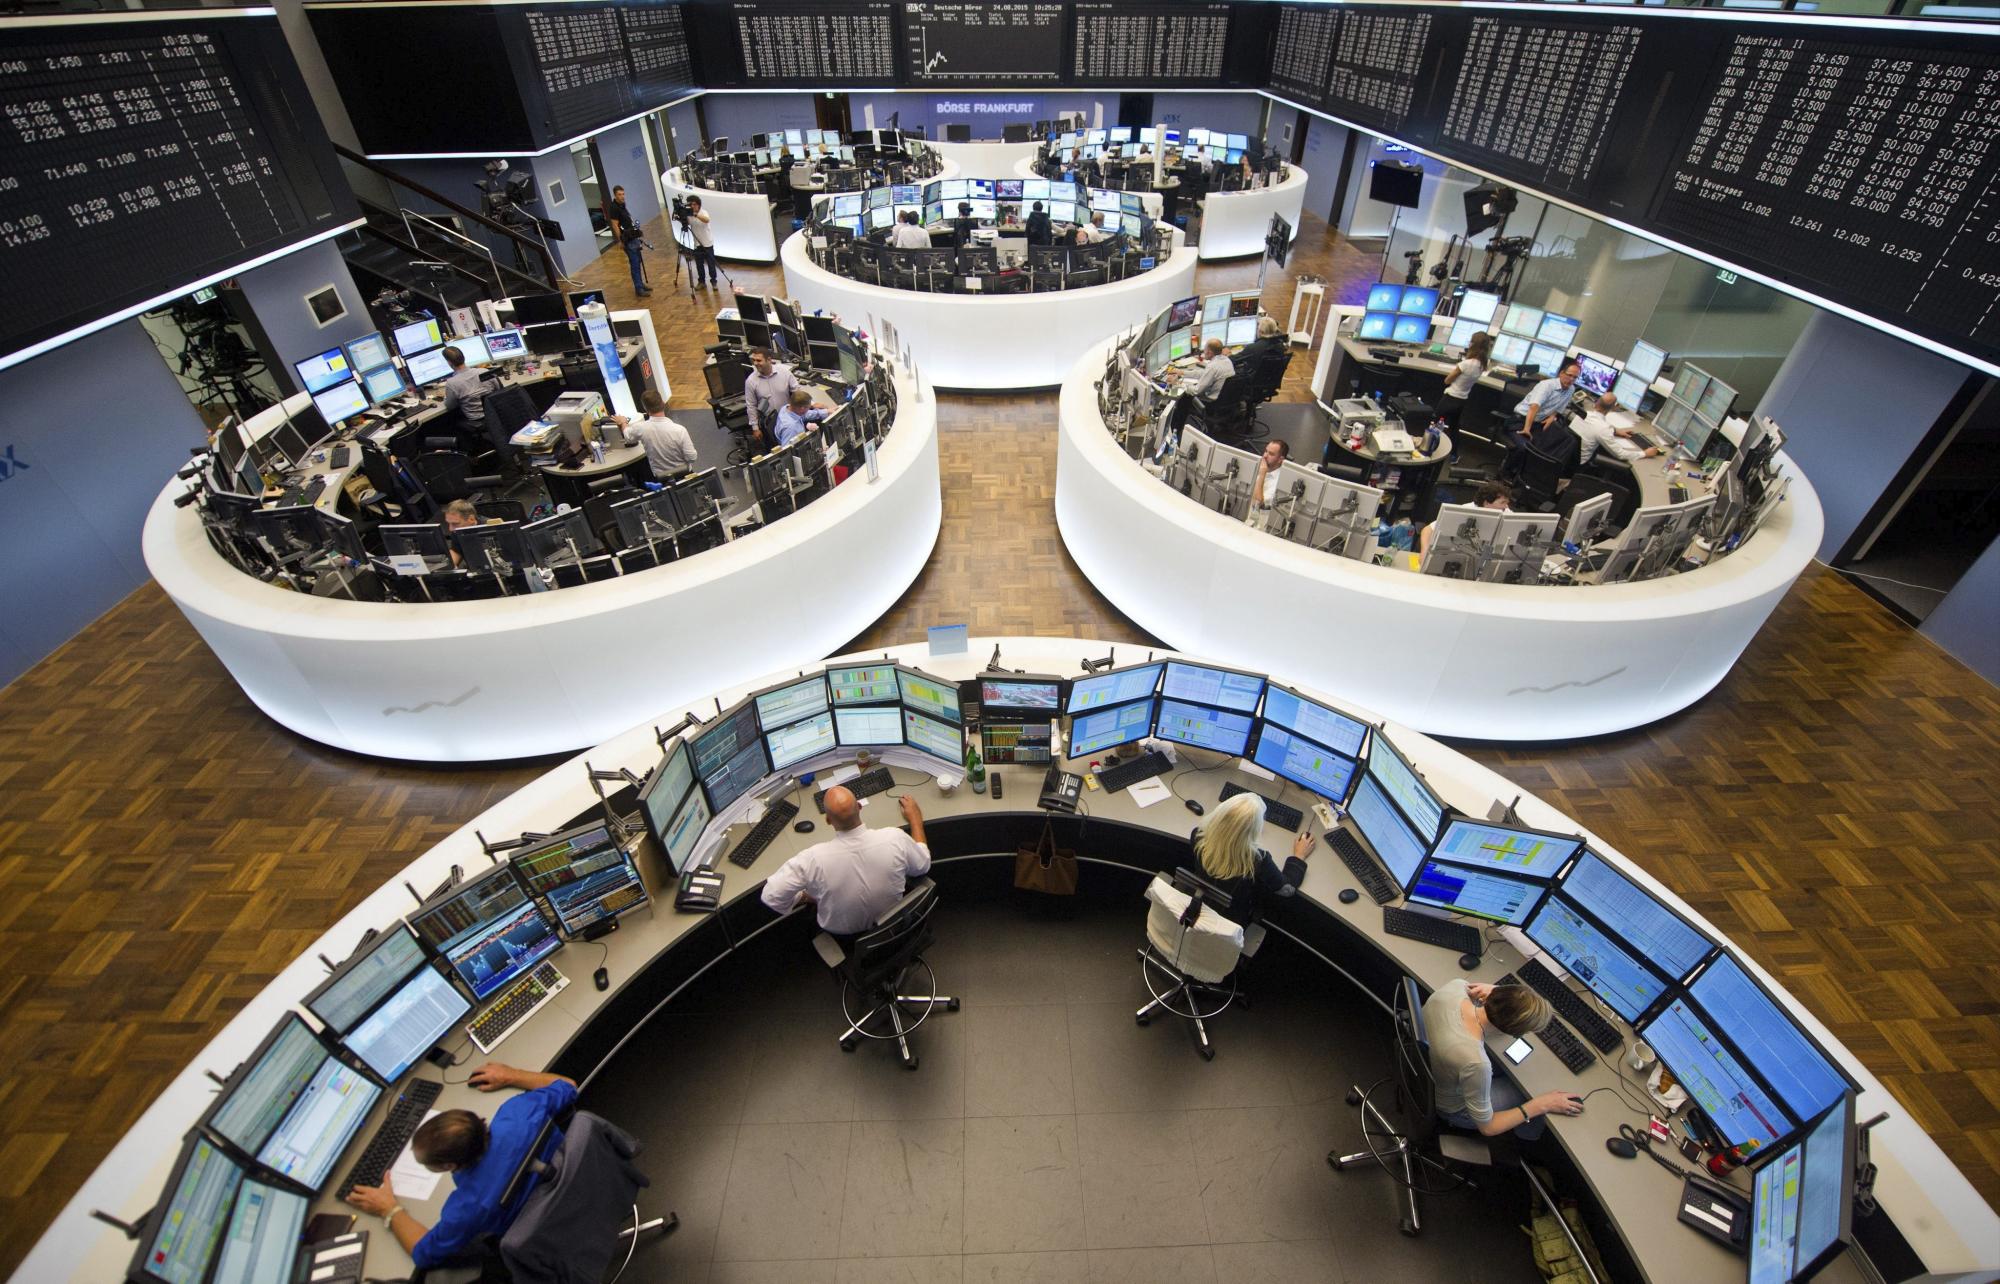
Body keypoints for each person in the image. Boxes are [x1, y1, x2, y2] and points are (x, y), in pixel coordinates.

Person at [343, 1062, 578, 1269]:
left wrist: (389, 1209)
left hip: (548, 1230)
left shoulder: (467, 1207)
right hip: (582, 1181)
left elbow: (424, 1253)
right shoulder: (517, 1113)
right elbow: (568, 1084)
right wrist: (511, 1075)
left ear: (448, 1165)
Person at [760, 787, 931, 942]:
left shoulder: (812, 860)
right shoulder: (894, 838)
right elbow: (922, 866)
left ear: (827, 820)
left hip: (844, 938)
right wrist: (915, 819)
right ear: (860, 806)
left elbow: (771, 897)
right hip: (893, 924)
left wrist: (805, 897)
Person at [1424, 979, 1580, 1141]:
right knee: (1532, 1092)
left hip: (1434, 1069)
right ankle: (1528, 1142)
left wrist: (1500, 994)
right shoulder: (1477, 1062)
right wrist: (1542, 1104)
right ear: (1513, 1033)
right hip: (1453, 1109)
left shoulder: (1455, 987)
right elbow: (1488, 1127)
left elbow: (1484, 995)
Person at [1191, 791, 1313, 927]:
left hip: (1198, 903)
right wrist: (1299, 856)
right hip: (1231, 919)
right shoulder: (1256, 859)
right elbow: (1287, 890)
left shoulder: (1199, 835)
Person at [1419, 479, 1511, 560]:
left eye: (1507, 503)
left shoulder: (1505, 511)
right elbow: (1427, 530)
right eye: (1502, 503)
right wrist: (1424, 552)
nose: (1506, 506)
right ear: (1487, 503)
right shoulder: (1465, 511)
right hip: (1457, 558)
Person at [619, 389, 699, 478]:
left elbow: (628, 436)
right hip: (685, 475)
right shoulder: (680, 430)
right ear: (663, 403)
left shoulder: (641, 428)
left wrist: (623, 422)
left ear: (645, 408)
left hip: (662, 478)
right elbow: (692, 457)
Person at [1574, 392, 1662, 467]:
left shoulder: (1585, 414)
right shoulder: (1603, 429)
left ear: (1596, 403)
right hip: (1579, 463)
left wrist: (1614, 431)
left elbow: (1596, 426)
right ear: (1613, 407)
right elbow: (1620, 454)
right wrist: (1644, 453)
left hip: (1567, 457)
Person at [742, 347, 800, 446]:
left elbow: (797, 392)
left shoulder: (784, 373)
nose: (755, 363)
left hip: (787, 419)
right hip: (768, 423)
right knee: (775, 450)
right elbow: (751, 405)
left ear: (769, 360)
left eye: (759, 360)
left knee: (792, 445)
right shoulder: (751, 381)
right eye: (754, 360)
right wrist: (755, 428)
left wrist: (810, 404)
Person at [1438, 331, 1492, 433]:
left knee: (1436, 423)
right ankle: (1452, 448)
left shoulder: (1465, 364)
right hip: (1461, 400)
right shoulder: (1482, 365)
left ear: (1473, 345)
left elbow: (1447, 380)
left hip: (1450, 398)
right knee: (1454, 428)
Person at [1515, 359, 1581, 441]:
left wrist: (1552, 417)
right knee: (1526, 448)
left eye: (1575, 377)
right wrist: (1526, 429)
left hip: (1537, 424)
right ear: (1561, 373)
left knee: (1552, 448)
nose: (1571, 379)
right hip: (1521, 420)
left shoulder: (1571, 389)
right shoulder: (1547, 385)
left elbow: (1558, 408)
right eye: (1569, 375)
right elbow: (1534, 407)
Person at [604, 184, 648, 297]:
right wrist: (621, 240)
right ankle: (638, 288)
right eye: (619, 194)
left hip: (633, 236)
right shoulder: (614, 208)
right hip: (627, 239)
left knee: (638, 261)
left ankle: (641, 284)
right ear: (615, 195)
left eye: (623, 194)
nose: (622, 196)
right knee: (634, 262)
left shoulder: (622, 205)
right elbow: (615, 225)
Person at [440, 346, 489, 429]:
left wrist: (446, 396)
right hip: (493, 414)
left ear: (449, 363)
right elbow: (499, 390)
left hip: (476, 419)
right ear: (464, 358)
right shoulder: (484, 371)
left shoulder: (452, 383)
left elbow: (451, 406)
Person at [1245, 438, 1290, 528]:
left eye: (1271, 454)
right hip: (1244, 518)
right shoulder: (1256, 466)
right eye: (1266, 451)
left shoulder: (1280, 482)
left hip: (1259, 527)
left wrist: (1262, 474)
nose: (1265, 456)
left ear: (1280, 459)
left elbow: (1258, 503)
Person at [682, 195, 717, 290]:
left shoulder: (703, 212)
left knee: (711, 264)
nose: (693, 206)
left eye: (694, 204)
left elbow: (707, 220)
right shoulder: (688, 215)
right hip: (697, 244)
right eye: (691, 204)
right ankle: (702, 282)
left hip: (707, 243)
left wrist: (695, 214)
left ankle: (714, 282)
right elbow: (686, 224)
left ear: (698, 204)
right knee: (699, 265)